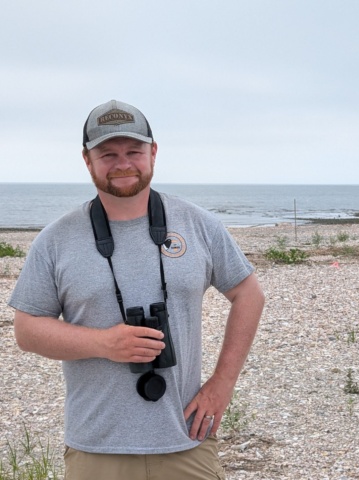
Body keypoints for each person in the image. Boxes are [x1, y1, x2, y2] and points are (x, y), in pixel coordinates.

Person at [9, 100, 265, 480]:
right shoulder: (55, 240)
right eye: (108, 154)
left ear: (153, 153)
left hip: (186, 439)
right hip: (96, 447)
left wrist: (222, 383)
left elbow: (249, 295)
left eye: (133, 151)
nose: (123, 163)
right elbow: (26, 330)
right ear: (87, 160)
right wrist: (104, 344)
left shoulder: (198, 225)